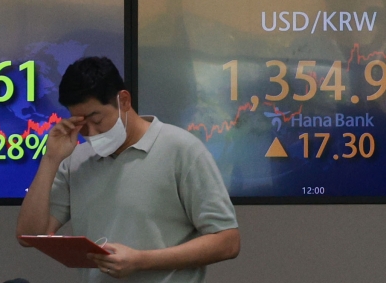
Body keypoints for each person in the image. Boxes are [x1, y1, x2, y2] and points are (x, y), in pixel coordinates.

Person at [16, 56, 239, 282]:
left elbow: (227, 241)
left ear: (123, 101)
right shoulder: (76, 160)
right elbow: (29, 236)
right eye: (81, 123)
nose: (91, 132)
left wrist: (141, 260)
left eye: (97, 119)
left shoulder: (181, 150)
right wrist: (51, 158)